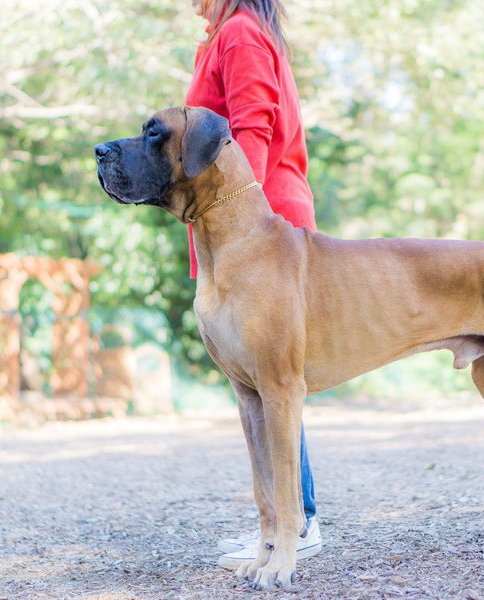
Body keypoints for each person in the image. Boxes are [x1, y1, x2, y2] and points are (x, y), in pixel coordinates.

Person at [185, 0, 322, 570]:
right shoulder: (229, 34)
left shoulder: (241, 33)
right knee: (259, 383)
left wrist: (249, 225)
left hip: (259, 223)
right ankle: (280, 524)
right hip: (233, 228)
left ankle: (300, 521)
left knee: (275, 382)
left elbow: (251, 130)